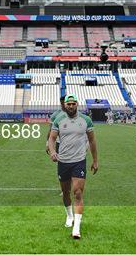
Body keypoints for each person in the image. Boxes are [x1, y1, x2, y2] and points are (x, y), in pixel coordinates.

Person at [48, 94, 98, 239]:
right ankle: (69, 215)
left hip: (79, 161)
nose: (71, 106)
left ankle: (76, 228)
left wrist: (95, 160)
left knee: (77, 193)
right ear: (65, 105)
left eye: (73, 103)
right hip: (63, 161)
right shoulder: (59, 119)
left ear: (77, 104)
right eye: (68, 104)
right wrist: (52, 152)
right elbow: (51, 138)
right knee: (65, 192)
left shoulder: (86, 120)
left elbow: (93, 141)